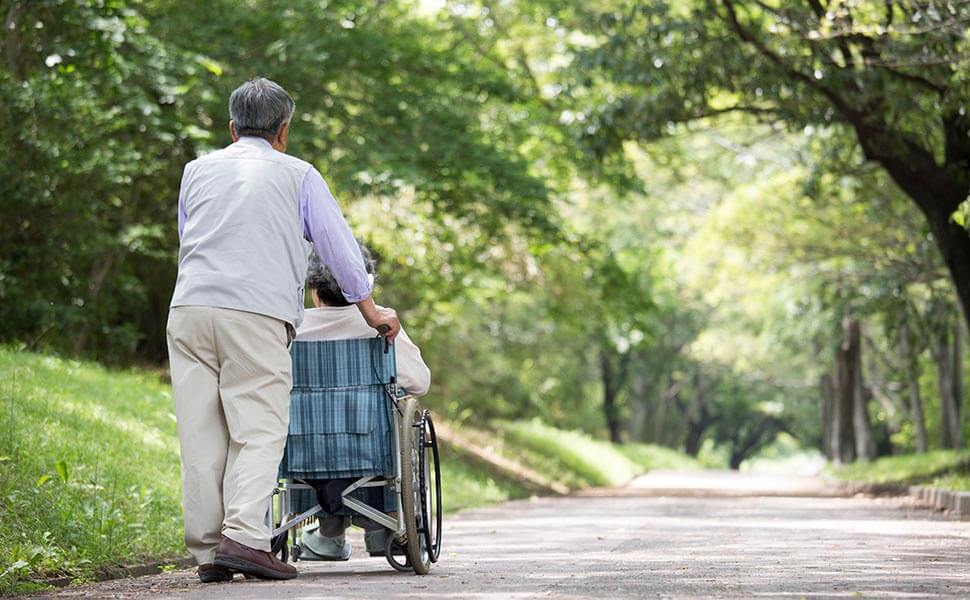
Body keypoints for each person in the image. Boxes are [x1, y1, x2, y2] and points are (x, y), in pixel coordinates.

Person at [166, 77, 400, 583]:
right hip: (254, 311)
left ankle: (208, 553)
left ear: (232, 129)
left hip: (188, 307)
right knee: (259, 429)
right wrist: (370, 311)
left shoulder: (195, 171)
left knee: (201, 433)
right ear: (284, 130)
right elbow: (338, 251)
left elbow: (189, 238)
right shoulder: (298, 174)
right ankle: (246, 539)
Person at [294, 245, 430, 561]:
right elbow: (419, 382)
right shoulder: (380, 324)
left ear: (314, 290)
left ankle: (328, 532)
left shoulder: (295, 326)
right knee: (390, 420)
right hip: (370, 450)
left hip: (306, 453)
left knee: (317, 436)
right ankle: (380, 526)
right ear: (364, 285)